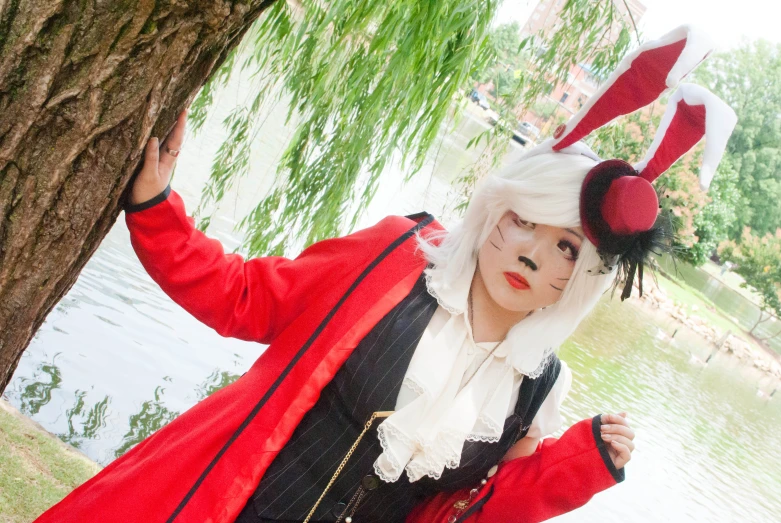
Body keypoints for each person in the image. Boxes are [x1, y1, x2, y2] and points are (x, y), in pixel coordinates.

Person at [34, 25, 735, 523]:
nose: (529, 254)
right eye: (525, 221)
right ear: (495, 207)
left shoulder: (539, 387)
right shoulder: (393, 258)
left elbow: (471, 512)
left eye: (564, 249)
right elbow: (243, 296)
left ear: (578, 280)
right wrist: (157, 213)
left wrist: (581, 464)